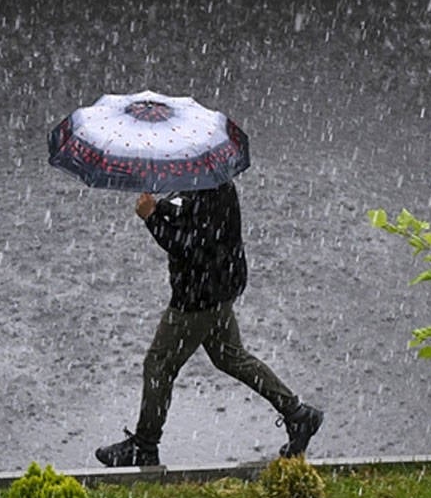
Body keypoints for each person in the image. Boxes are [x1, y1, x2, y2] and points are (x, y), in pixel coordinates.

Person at [95, 180, 323, 467]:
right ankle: (299, 415)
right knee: (229, 356)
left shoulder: (210, 189)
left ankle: (144, 445)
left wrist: (152, 218)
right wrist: (161, 207)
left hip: (198, 297)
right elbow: (185, 210)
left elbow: (189, 246)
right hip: (216, 288)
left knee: (159, 364)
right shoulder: (208, 180)